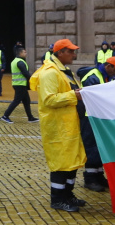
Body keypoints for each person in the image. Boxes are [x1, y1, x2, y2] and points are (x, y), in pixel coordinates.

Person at [37, 39, 88, 212]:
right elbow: (49, 99)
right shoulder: (50, 73)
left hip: (70, 124)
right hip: (58, 127)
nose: (74, 55)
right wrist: (75, 95)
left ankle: (68, 195)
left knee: (71, 161)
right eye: (71, 51)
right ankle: (57, 198)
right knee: (61, 163)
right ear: (60, 53)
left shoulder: (65, 71)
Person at [78, 56, 115, 192]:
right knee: (91, 146)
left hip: (99, 116)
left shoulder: (106, 76)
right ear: (108, 66)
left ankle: (98, 175)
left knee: (99, 147)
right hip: (89, 117)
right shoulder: (93, 77)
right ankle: (90, 179)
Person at [1, 46, 37, 123]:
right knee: (16, 101)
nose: (26, 53)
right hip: (20, 85)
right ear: (20, 53)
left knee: (27, 101)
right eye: (24, 52)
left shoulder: (15, 61)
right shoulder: (20, 62)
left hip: (19, 84)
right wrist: (34, 79)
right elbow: (25, 73)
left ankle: (30, 117)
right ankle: (5, 115)